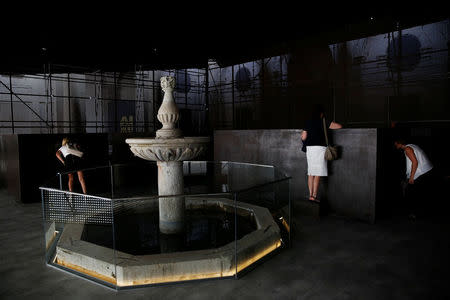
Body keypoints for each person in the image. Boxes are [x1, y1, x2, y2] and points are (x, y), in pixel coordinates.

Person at [301, 105, 342, 203]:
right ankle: (314, 196)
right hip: (320, 149)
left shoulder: (308, 122)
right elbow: (339, 126)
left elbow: (303, 137)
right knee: (317, 174)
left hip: (310, 149)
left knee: (310, 173)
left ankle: (310, 195)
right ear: (321, 113)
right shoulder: (324, 121)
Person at [394, 138, 434, 219]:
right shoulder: (412, 145)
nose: (395, 145)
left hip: (420, 173)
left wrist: (411, 178)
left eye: (395, 144)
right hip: (426, 170)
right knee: (417, 193)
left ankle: (414, 214)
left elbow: (415, 162)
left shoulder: (407, 149)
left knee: (411, 194)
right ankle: (420, 212)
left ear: (399, 143)